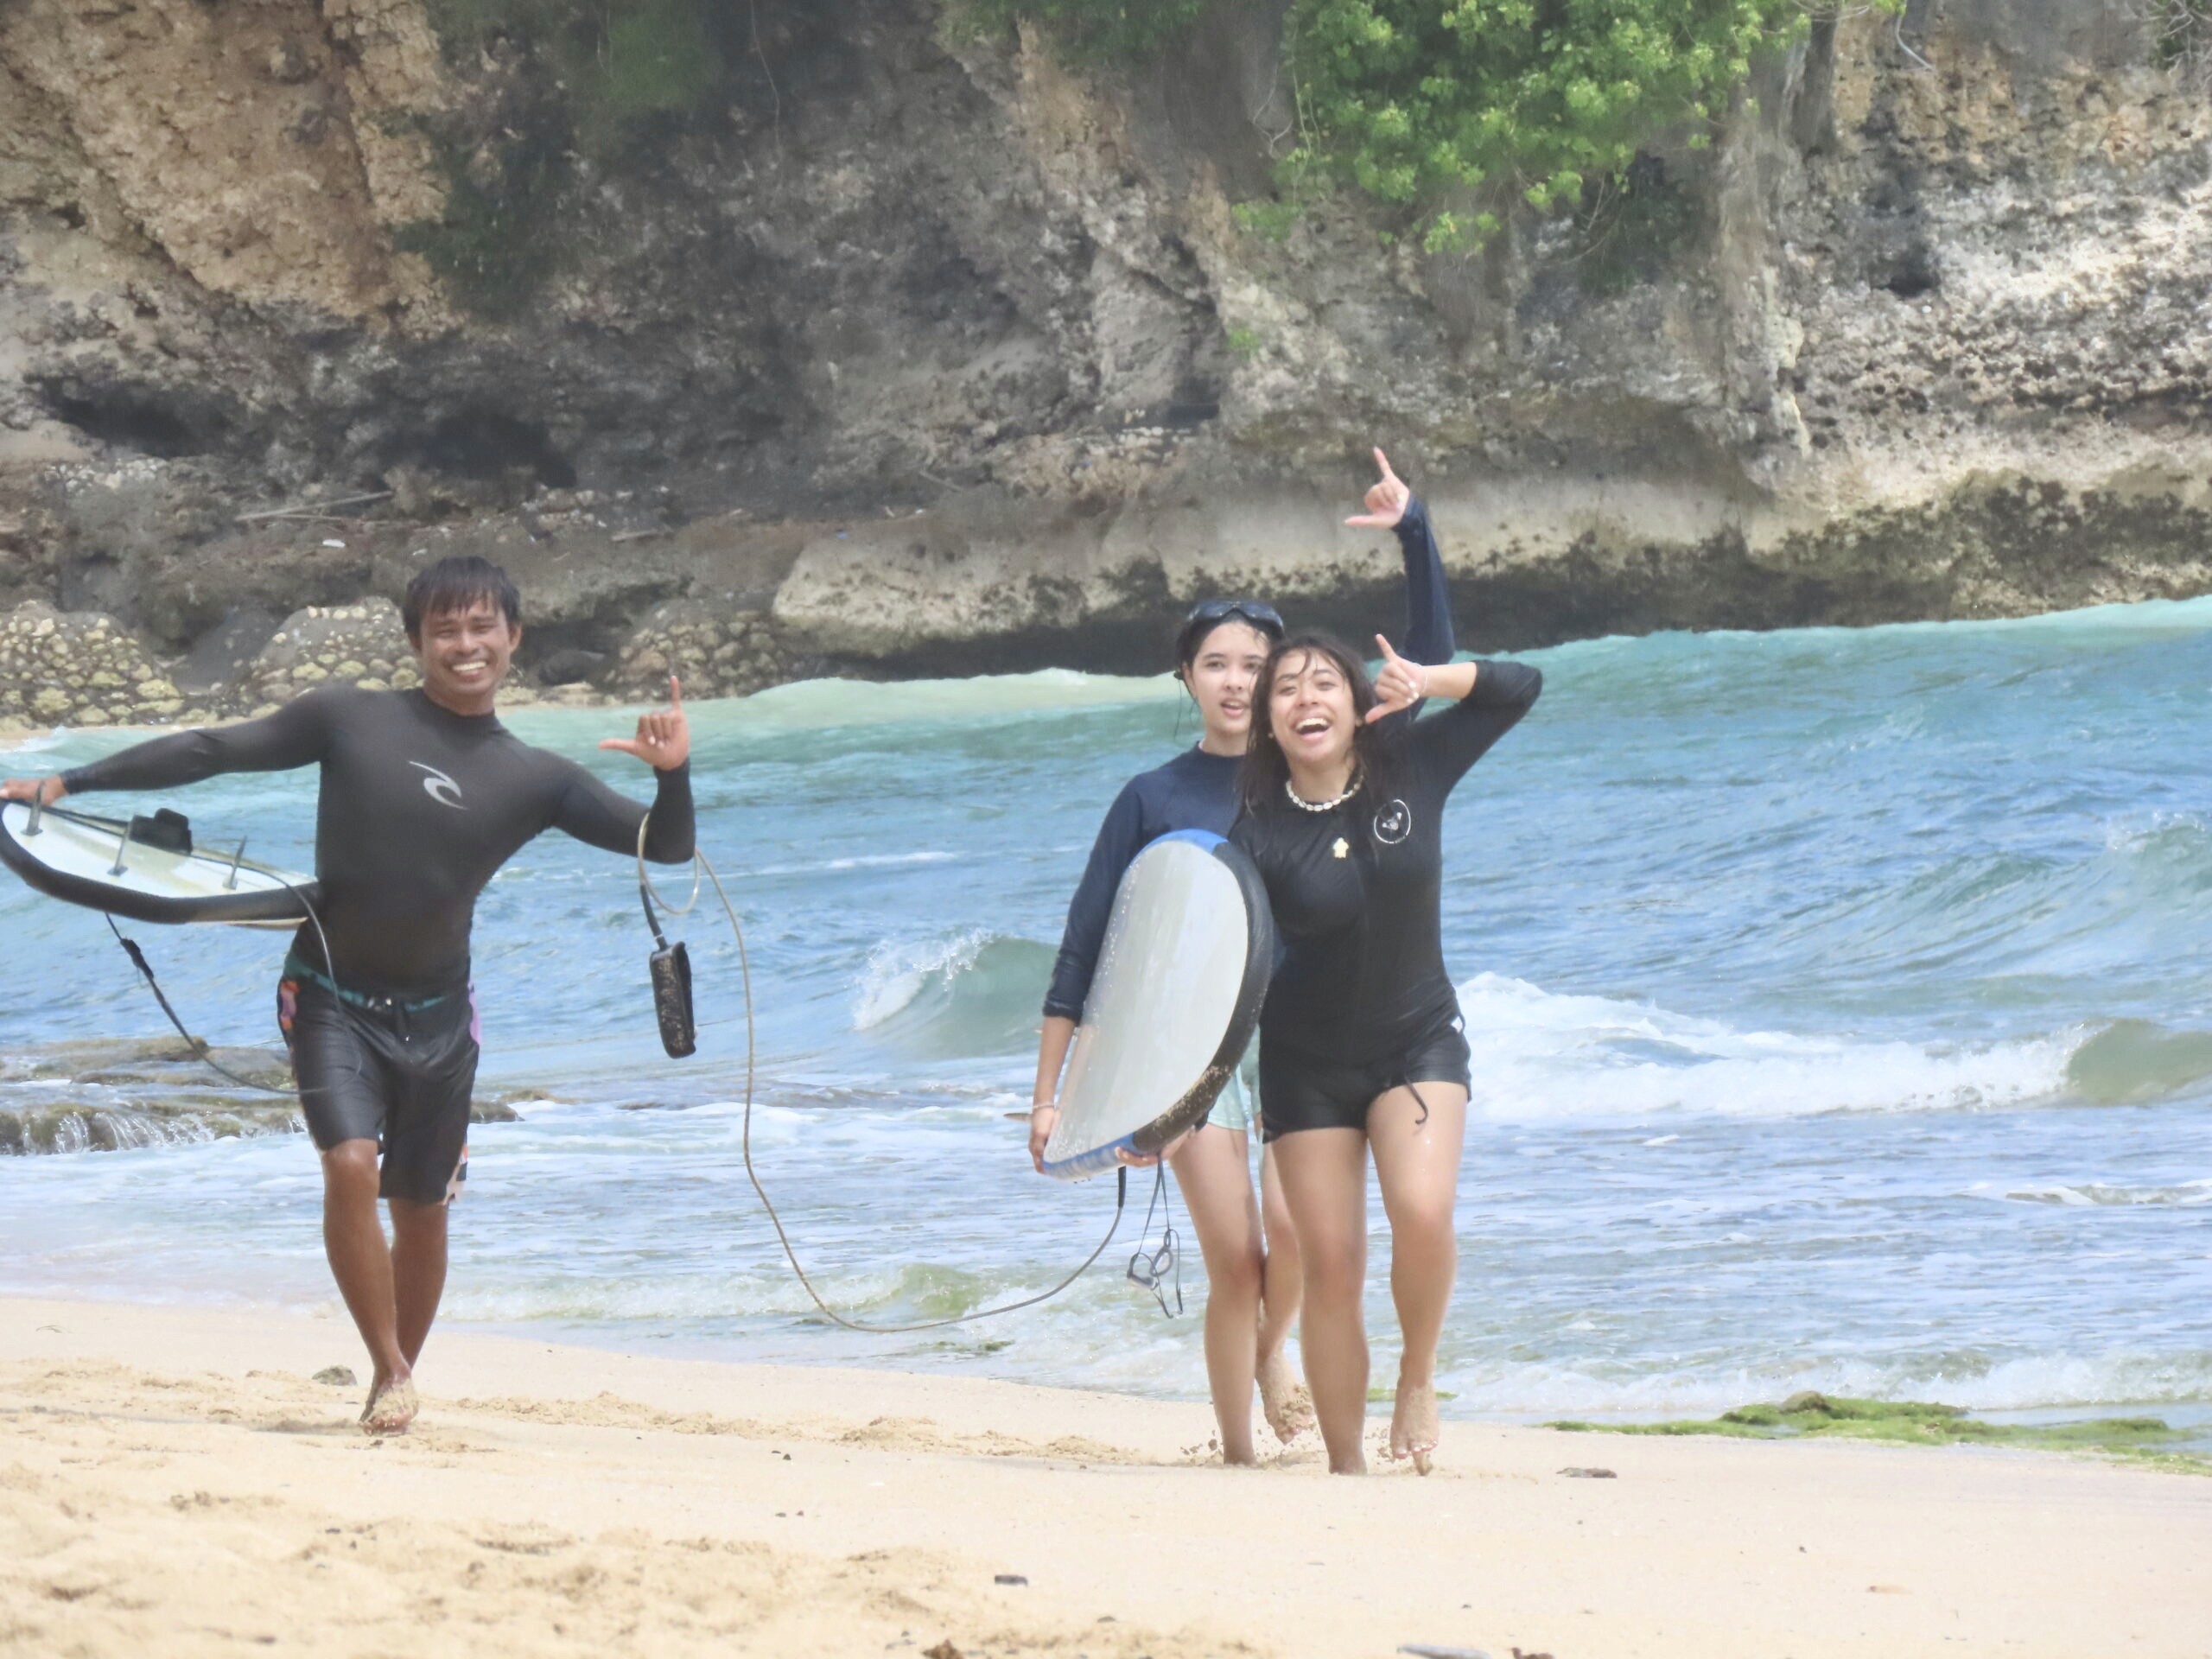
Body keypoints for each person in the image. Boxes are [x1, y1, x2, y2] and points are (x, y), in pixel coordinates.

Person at [0, 556, 695, 1434]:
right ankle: (389, 1367)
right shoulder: (348, 719)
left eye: (483, 627)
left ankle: (396, 1373)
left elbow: (662, 849)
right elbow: (214, 750)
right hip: (329, 990)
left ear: (514, 638)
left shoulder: (535, 779)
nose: (466, 645)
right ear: (416, 643)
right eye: (445, 629)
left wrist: (673, 776)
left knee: (424, 1210)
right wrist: (72, 783)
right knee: (347, 1165)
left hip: (442, 1018)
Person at [1028, 448, 1453, 1466]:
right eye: (1214, 663)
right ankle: (1238, 1441)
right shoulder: (1152, 796)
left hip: (1294, 1043)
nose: (1237, 681)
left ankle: (1277, 1353)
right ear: (1186, 679)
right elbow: (1095, 946)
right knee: (1240, 1256)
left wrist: (1416, 534)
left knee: (1302, 1245)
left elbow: (1425, 669)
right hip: (1187, 1055)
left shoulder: (1317, 768)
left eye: (1255, 667)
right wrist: (1064, 1094)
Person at [1230, 623, 1541, 1476]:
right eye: (1285, 687)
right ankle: (1345, 1468)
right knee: (1329, 1265)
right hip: (1306, 1069)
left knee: (1422, 1209)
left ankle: (1417, 1372)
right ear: (1267, 722)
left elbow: (1520, 684)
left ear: (1357, 702)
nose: (1305, 697)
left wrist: (1431, 679)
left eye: (1324, 682)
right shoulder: (1251, 836)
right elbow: (1217, 970)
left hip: (1416, 1044)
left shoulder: (1413, 770)